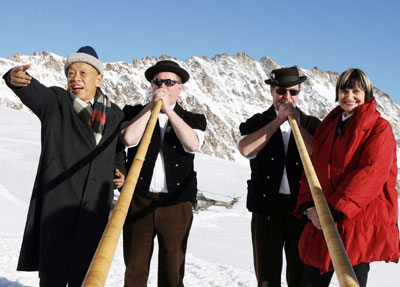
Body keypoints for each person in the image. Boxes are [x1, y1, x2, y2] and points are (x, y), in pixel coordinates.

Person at [2, 46, 126, 287]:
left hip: (94, 209)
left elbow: (117, 151)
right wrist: (14, 79)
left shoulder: (115, 114)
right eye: (70, 73)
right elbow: (32, 91)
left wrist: (120, 172)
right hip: (58, 207)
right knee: (53, 277)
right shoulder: (56, 102)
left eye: (82, 73)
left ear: (99, 78)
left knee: (87, 276)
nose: (75, 79)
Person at [294, 68, 400, 287]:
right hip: (324, 220)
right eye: (344, 90)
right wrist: (308, 206)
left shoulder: (379, 129)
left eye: (356, 91)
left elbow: (371, 174)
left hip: (357, 220)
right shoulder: (328, 126)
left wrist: (333, 210)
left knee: (353, 280)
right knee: (311, 281)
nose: (349, 96)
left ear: (367, 94)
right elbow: (312, 168)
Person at [120, 60, 207, 286]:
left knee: (172, 270)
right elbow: (129, 139)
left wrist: (168, 109)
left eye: (170, 82)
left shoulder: (193, 118)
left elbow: (193, 144)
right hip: (138, 199)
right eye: (158, 81)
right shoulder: (133, 112)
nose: (163, 86)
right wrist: (151, 108)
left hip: (176, 203)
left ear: (180, 88)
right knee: (135, 269)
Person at [238, 66, 321, 287]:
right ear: (272, 91)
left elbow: (319, 156)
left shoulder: (312, 124)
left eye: (293, 92)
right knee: (266, 275)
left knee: (300, 276)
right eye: (281, 91)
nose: (287, 97)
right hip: (266, 208)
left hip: (301, 210)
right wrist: (278, 122)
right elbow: (246, 149)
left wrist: (296, 124)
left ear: (299, 93)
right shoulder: (258, 121)